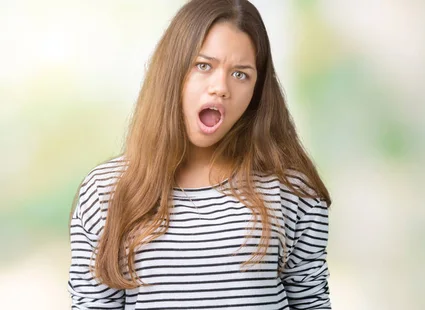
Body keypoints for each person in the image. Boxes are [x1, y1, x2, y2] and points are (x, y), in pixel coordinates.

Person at [67, 0, 332, 309]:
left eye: (240, 74)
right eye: (203, 65)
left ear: (257, 91)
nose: (220, 87)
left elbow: (312, 301)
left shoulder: (290, 190)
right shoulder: (107, 193)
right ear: (173, 70)